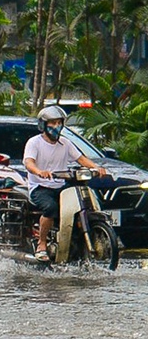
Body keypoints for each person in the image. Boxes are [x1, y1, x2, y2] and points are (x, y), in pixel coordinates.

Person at [24, 104, 106, 261]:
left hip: (61, 186)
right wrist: (39, 171)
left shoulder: (65, 143)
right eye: (52, 123)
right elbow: (29, 162)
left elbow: (81, 159)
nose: (56, 126)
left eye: (59, 123)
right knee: (51, 208)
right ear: (43, 124)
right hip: (40, 187)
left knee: (81, 204)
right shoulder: (34, 143)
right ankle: (42, 244)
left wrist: (96, 167)